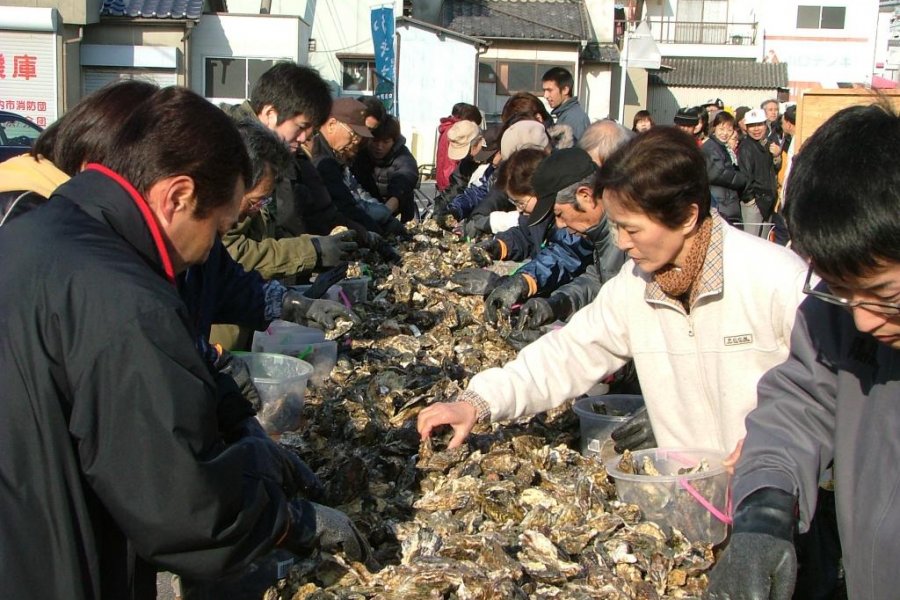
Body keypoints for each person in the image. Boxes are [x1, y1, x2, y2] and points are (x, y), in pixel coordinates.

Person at [0, 85, 372, 600]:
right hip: (50, 565)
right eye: (218, 227)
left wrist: (236, 419)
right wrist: (287, 522)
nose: (209, 252)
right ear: (176, 196)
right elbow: (182, 510)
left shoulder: (38, 233)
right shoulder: (127, 295)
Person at [417, 126, 809, 459]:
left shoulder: (774, 279)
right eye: (617, 226)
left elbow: (821, 401)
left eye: (632, 229)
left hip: (767, 502)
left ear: (688, 216)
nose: (620, 242)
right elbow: (569, 353)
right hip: (683, 499)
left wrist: (748, 447)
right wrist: (477, 402)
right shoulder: (636, 286)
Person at [705, 103, 900, 600]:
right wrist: (765, 510)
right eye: (840, 290)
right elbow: (800, 402)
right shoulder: (834, 313)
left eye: (885, 296)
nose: (862, 319)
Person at [219, 62, 354, 240]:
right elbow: (233, 249)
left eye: (310, 132)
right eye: (300, 127)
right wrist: (313, 250)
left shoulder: (275, 155)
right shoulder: (231, 150)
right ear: (270, 114)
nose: (303, 138)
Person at [311, 97, 403, 236]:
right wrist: (376, 236)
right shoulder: (322, 159)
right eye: (353, 134)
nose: (356, 141)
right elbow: (346, 207)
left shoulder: (334, 154)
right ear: (332, 125)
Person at [351, 114, 419, 222]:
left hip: (399, 217)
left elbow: (402, 185)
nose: (379, 146)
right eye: (375, 141)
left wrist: (384, 213)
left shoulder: (404, 159)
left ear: (394, 141)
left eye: (385, 142)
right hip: (366, 213)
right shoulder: (359, 155)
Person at [738, 107, 779, 237]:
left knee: (764, 244)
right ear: (746, 128)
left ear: (765, 125)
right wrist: (750, 200)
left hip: (767, 201)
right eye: (752, 126)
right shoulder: (745, 147)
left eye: (759, 125)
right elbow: (745, 176)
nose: (756, 129)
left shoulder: (767, 145)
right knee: (751, 243)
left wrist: (777, 156)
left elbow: (773, 170)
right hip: (754, 202)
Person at [702, 110, 746, 226]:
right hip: (719, 202)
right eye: (721, 129)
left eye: (729, 130)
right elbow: (717, 173)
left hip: (725, 200)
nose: (725, 133)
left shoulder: (723, 147)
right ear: (714, 128)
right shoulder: (711, 147)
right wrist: (742, 179)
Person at [435, 102, 482, 191]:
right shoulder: (458, 133)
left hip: (444, 178)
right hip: (454, 180)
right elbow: (459, 158)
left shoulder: (448, 129)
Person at [541, 66, 591, 143]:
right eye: (544, 90)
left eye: (549, 90)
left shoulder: (575, 118)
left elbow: (573, 152)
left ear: (565, 90)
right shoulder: (565, 115)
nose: (545, 95)